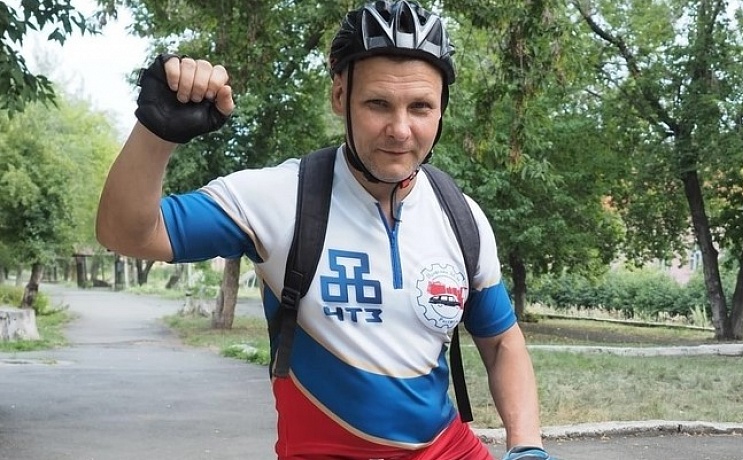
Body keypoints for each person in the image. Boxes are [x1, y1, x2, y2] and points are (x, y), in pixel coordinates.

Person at [95, 1, 553, 459]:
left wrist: (527, 445)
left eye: (420, 107)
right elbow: (126, 233)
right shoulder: (279, 198)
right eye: (378, 104)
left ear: (441, 111)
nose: (400, 129)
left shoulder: (461, 216)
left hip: (448, 449)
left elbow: (501, 342)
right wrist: (157, 134)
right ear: (339, 98)